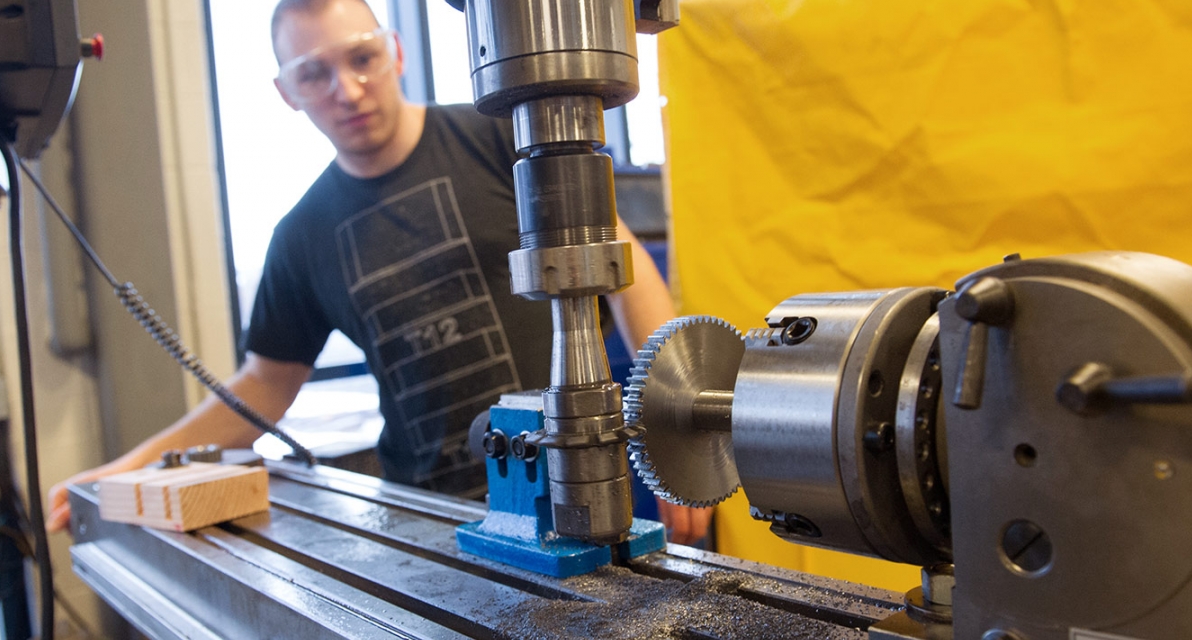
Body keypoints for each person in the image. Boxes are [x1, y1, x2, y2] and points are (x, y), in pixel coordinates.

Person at [48, 0, 712, 543]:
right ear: (286, 93)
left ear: (394, 52)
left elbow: (619, 269)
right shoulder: (301, 237)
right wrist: (124, 468)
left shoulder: (503, 138)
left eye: (362, 58)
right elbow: (263, 388)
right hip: (429, 520)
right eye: (314, 74)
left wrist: (672, 429)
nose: (348, 89)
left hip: (579, 490)